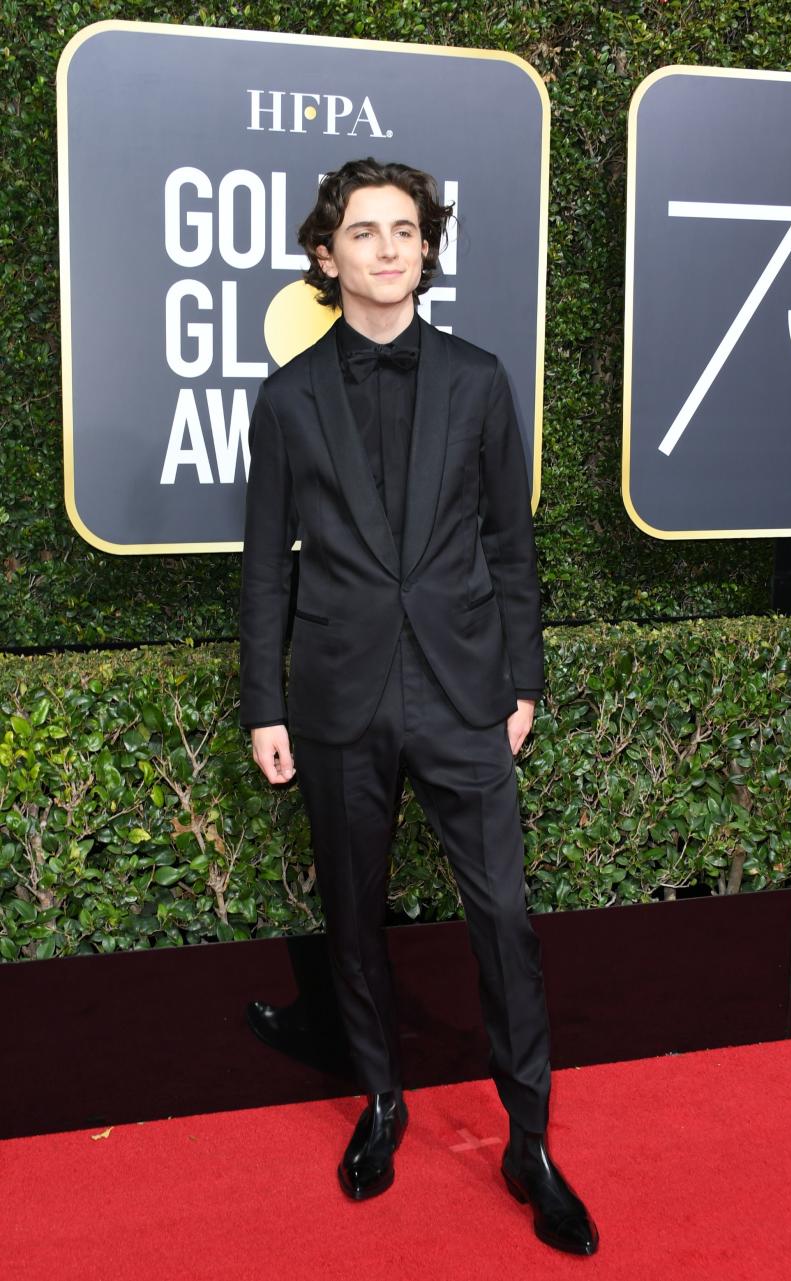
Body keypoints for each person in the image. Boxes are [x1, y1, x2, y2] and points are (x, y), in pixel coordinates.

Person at [238, 157, 598, 1256]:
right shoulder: (289, 397)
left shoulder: (482, 379)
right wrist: (266, 701)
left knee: (504, 921)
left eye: (407, 230)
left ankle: (529, 1141)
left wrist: (522, 680)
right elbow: (265, 568)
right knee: (354, 915)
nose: (389, 248)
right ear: (324, 254)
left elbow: (510, 546)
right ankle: (383, 1103)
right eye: (366, 231)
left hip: (462, 693)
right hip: (340, 695)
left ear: (425, 250)